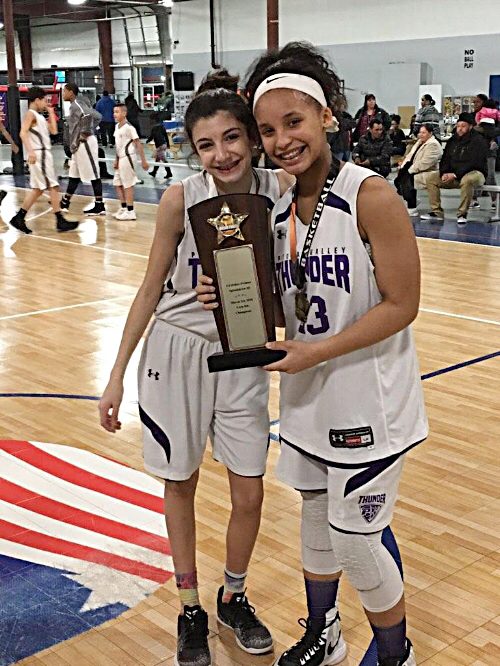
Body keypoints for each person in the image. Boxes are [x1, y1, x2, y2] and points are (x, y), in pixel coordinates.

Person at [200, 41, 428, 666]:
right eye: (268, 131)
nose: (282, 141)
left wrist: (316, 351)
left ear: (326, 115)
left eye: (293, 122)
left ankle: (396, 655)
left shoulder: (370, 195)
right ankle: (325, 634)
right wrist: (227, 297)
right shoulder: (274, 209)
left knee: (356, 542)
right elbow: (291, 302)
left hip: (369, 402)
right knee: (316, 523)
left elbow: (403, 304)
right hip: (307, 397)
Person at [99, 87, 294, 666]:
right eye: (206, 145)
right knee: (179, 481)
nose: (221, 154)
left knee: (249, 490)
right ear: (193, 151)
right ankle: (189, 607)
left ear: (252, 138)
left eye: (231, 138)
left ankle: (233, 597)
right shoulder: (180, 198)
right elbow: (149, 288)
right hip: (176, 350)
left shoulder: (281, 189)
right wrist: (115, 375)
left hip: (243, 352)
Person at [9, 87, 78, 234]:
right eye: (44, 100)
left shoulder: (39, 116)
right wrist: (31, 151)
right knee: (53, 186)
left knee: (38, 189)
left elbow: (53, 131)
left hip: (43, 153)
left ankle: (19, 217)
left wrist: (51, 113)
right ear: (37, 100)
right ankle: (60, 220)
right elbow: (22, 132)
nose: (46, 103)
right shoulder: (31, 114)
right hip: (40, 154)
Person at [421, 112, 488, 224]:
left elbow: (474, 162)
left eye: (463, 126)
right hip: (454, 174)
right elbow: (445, 159)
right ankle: (436, 212)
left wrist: (456, 174)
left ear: (470, 126)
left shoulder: (478, 140)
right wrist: (444, 173)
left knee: (468, 180)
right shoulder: (453, 140)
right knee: (431, 179)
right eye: (458, 126)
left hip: (475, 172)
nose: (460, 129)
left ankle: (462, 213)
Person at [61, 83, 106, 216]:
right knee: (74, 173)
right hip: (77, 145)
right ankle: (65, 202)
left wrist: (85, 132)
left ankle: (99, 205)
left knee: (93, 174)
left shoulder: (78, 104)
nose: (63, 94)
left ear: (71, 92)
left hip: (84, 143)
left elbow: (91, 116)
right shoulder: (74, 105)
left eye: (64, 91)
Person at [395, 123, 442, 215]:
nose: (421, 135)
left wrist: (411, 170)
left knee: (408, 179)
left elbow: (426, 163)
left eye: (424, 133)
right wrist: (403, 166)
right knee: (398, 181)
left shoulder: (433, 144)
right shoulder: (419, 142)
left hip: (426, 170)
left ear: (430, 133)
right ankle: (412, 200)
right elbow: (410, 155)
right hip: (412, 166)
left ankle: (412, 206)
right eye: (420, 132)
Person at [112, 104, 149, 220]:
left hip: (128, 157)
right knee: (117, 183)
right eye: (114, 112)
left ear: (124, 113)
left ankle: (131, 211)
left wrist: (143, 161)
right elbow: (118, 146)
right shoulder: (117, 127)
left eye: (117, 112)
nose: (114, 114)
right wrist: (116, 159)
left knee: (127, 185)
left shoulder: (129, 128)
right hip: (121, 158)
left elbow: (138, 143)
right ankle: (123, 207)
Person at [147, 113, 173, 179]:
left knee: (164, 160)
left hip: (160, 146)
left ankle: (169, 173)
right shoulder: (161, 127)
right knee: (157, 160)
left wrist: (146, 141)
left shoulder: (154, 128)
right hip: (163, 144)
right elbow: (166, 136)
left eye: (150, 120)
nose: (149, 121)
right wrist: (168, 144)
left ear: (154, 120)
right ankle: (154, 172)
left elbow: (152, 137)